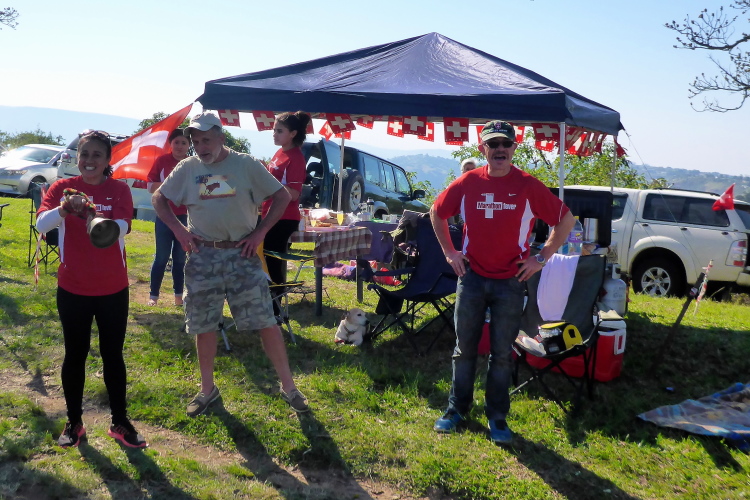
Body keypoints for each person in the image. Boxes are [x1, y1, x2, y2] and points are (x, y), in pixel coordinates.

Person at [152, 111, 309, 417]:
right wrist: (179, 231)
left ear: (221, 138)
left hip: (242, 254)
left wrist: (261, 233)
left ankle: (290, 388)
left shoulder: (245, 164)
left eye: (206, 140)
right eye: (196, 141)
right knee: (204, 325)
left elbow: (281, 196)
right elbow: (159, 198)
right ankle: (207, 390)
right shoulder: (187, 167)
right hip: (203, 255)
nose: (201, 147)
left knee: (266, 321)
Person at [430, 120, 575, 445]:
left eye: (505, 144)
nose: (499, 149)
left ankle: (497, 417)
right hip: (471, 278)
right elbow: (436, 212)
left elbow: (565, 219)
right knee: (464, 349)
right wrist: (450, 253)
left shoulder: (527, 185)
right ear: (482, 149)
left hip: (510, 281)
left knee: (501, 354)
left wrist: (541, 258)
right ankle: (456, 410)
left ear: (514, 148)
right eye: (492, 144)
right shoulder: (468, 182)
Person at [36, 130, 147, 449]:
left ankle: (120, 422)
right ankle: (74, 422)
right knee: (75, 354)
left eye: (97, 154)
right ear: (77, 157)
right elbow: (41, 225)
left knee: (113, 355)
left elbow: (125, 225)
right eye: (84, 154)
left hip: (113, 288)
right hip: (73, 288)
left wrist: (98, 219)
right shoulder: (61, 188)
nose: (89, 160)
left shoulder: (118, 189)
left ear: (108, 159)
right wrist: (64, 209)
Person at [261, 111, 311, 318]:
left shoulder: (296, 157)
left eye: (279, 131)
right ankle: (266, 307)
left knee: (273, 264)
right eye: (274, 130)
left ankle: (275, 311)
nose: (274, 134)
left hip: (284, 217)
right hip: (269, 213)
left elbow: (294, 193)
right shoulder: (280, 152)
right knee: (264, 262)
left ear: (293, 133)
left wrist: (268, 184)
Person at [146, 129, 191, 307]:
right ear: (170, 144)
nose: (180, 146)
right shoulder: (162, 161)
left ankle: (178, 297)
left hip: (186, 217)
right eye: (176, 142)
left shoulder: (193, 163)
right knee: (162, 257)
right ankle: (153, 296)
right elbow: (150, 186)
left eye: (184, 143)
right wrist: (171, 184)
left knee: (180, 258)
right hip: (164, 215)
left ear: (189, 145)